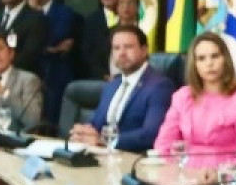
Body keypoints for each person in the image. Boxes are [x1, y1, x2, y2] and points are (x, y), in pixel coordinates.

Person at [151, 31, 236, 169]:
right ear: (194, 64)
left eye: (215, 56)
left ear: (225, 59)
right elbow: (163, 146)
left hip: (222, 178)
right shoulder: (183, 97)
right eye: (201, 58)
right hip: (182, 175)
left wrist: (218, 175)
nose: (209, 63)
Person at [67, 24, 173, 153]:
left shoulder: (160, 86)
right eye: (116, 48)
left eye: (128, 47)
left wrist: (104, 140)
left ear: (144, 50)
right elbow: (96, 123)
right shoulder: (112, 85)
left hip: (135, 160)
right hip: (102, 156)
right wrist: (83, 132)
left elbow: (150, 134)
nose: (121, 53)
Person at [27, 0, 78, 128]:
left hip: (54, 73)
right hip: (31, 71)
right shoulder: (26, 13)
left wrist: (35, 15)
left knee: (52, 120)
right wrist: (49, 49)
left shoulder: (64, 12)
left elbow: (53, 37)